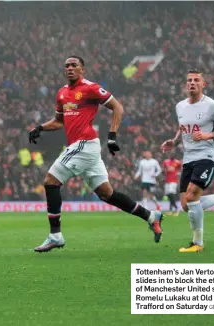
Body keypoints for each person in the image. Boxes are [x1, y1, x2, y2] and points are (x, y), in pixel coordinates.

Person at [29, 55, 163, 252]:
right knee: (107, 194)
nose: (69, 68)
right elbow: (60, 121)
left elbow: (117, 107)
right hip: (82, 148)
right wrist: (40, 127)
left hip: (84, 144)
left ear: (82, 69)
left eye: (74, 65)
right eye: (66, 66)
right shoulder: (62, 93)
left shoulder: (90, 88)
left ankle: (55, 235)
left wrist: (112, 136)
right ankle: (151, 216)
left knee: (51, 181)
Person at [161, 69, 214, 253]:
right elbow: (183, 127)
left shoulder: (212, 106)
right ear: (185, 84)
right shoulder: (180, 106)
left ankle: (198, 243)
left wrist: (208, 135)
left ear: (203, 84)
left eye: (196, 80)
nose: (192, 83)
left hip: (207, 156)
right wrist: (175, 140)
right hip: (188, 158)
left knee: (192, 196)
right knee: (187, 205)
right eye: (189, 80)